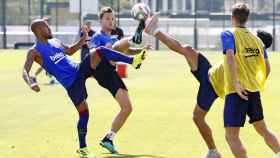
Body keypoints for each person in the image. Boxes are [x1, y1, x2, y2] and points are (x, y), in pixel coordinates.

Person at [144, 12, 277, 158]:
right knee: (187, 49)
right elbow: (266, 69)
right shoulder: (254, 47)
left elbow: (235, 59)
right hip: (212, 73)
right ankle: (213, 151)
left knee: (200, 118)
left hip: (212, 84)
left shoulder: (248, 43)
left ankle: (213, 151)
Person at [22, 19, 146, 158]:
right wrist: (31, 83)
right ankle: (83, 148)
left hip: (79, 69)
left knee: (98, 51)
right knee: (84, 114)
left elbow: (69, 51)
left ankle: (133, 61)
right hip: (71, 84)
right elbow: (25, 71)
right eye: (46, 27)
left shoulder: (55, 41)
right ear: (38, 31)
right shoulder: (34, 51)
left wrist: (82, 40)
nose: (50, 29)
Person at [220, 3, 280, 158]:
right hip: (254, 92)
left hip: (236, 92)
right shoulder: (257, 40)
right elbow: (267, 68)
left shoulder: (228, 34)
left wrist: (237, 83)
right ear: (247, 19)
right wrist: (257, 83)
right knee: (262, 129)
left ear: (232, 18)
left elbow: (230, 57)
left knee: (231, 136)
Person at [90, 6, 150, 153]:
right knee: (114, 46)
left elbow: (125, 49)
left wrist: (140, 51)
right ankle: (137, 34)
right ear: (100, 21)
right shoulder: (97, 36)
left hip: (111, 73)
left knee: (127, 108)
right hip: (101, 70)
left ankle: (108, 138)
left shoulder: (117, 34)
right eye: (107, 19)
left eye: (112, 19)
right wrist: (110, 46)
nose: (111, 21)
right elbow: (96, 54)